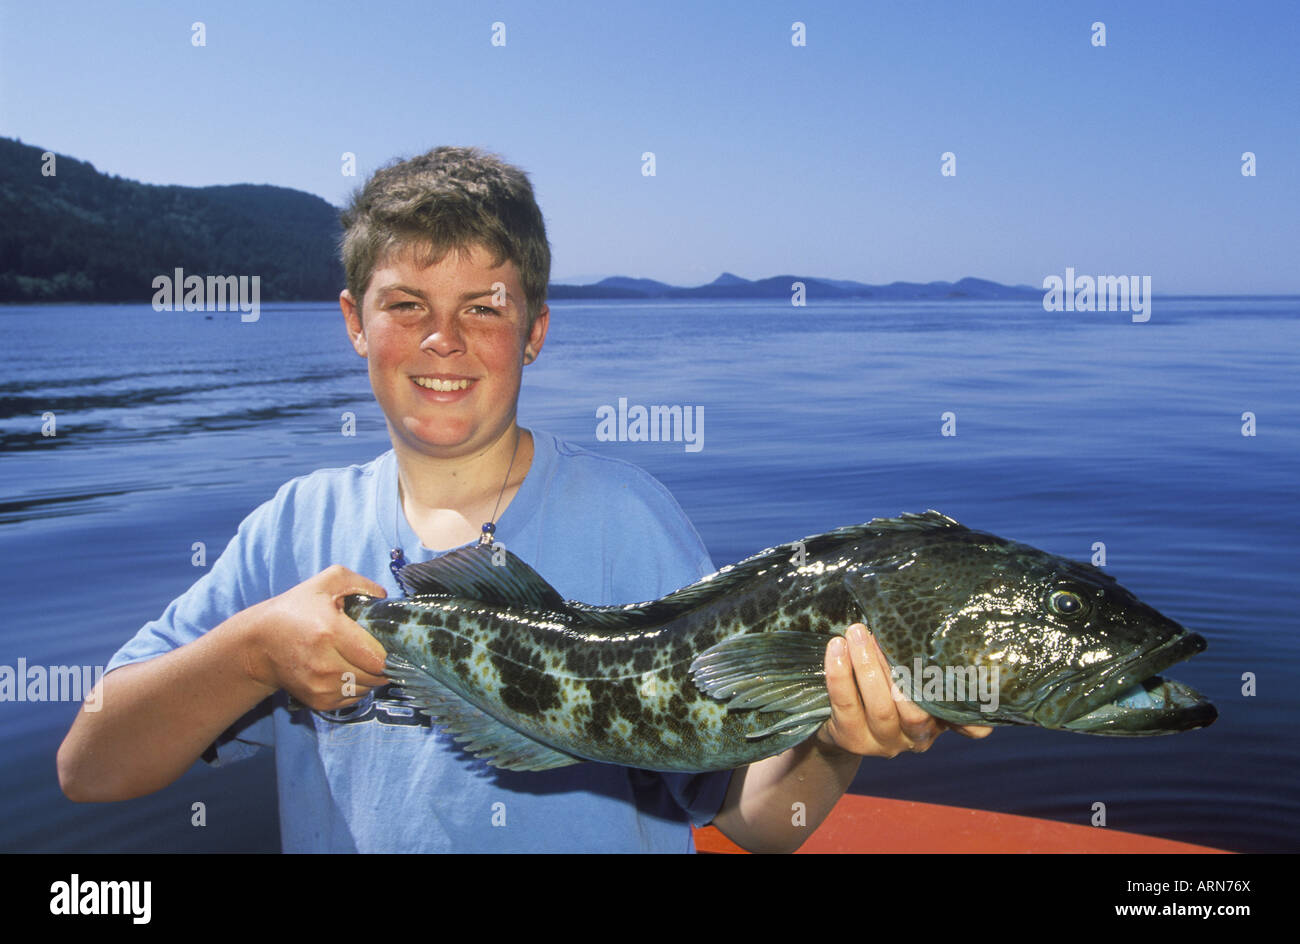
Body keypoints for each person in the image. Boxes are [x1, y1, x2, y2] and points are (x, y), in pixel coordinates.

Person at [57, 146, 989, 853]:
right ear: (353, 323)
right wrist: (251, 652)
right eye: (406, 304)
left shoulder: (630, 521)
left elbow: (757, 823)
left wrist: (834, 740)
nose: (443, 340)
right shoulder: (290, 531)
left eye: (485, 307)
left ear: (535, 330)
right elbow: (90, 766)